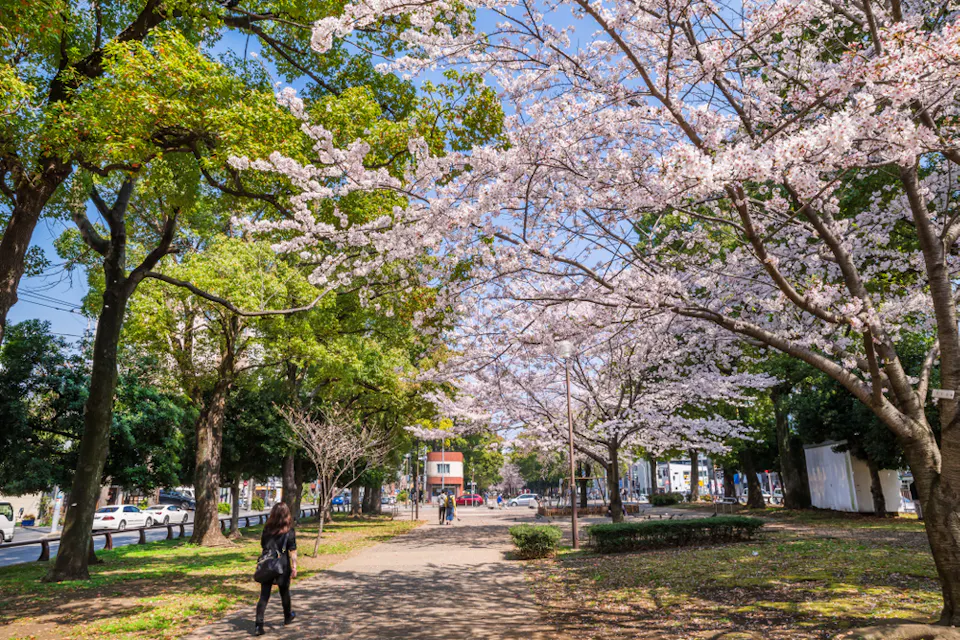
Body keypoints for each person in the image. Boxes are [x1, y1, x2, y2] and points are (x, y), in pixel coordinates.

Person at [255, 502, 298, 635]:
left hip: (268, 564)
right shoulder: (289, 531)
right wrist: (294, 566)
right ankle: (287, 617)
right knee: (284, 593)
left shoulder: (267, 529)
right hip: (283, 565)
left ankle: (258, 625)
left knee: (264, 595)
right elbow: (293, 550)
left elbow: (263, 545)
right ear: (287, 514)